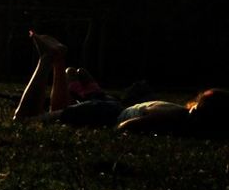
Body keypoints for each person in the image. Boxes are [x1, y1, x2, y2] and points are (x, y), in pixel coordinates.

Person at [13, 31, 229, 136]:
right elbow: (130, 126)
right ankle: (48, 59)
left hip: (108, 110)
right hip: (108, 113)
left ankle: (56, 59)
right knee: (26, 119)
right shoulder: (177, 119)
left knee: (57, 112)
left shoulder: (179, 115)